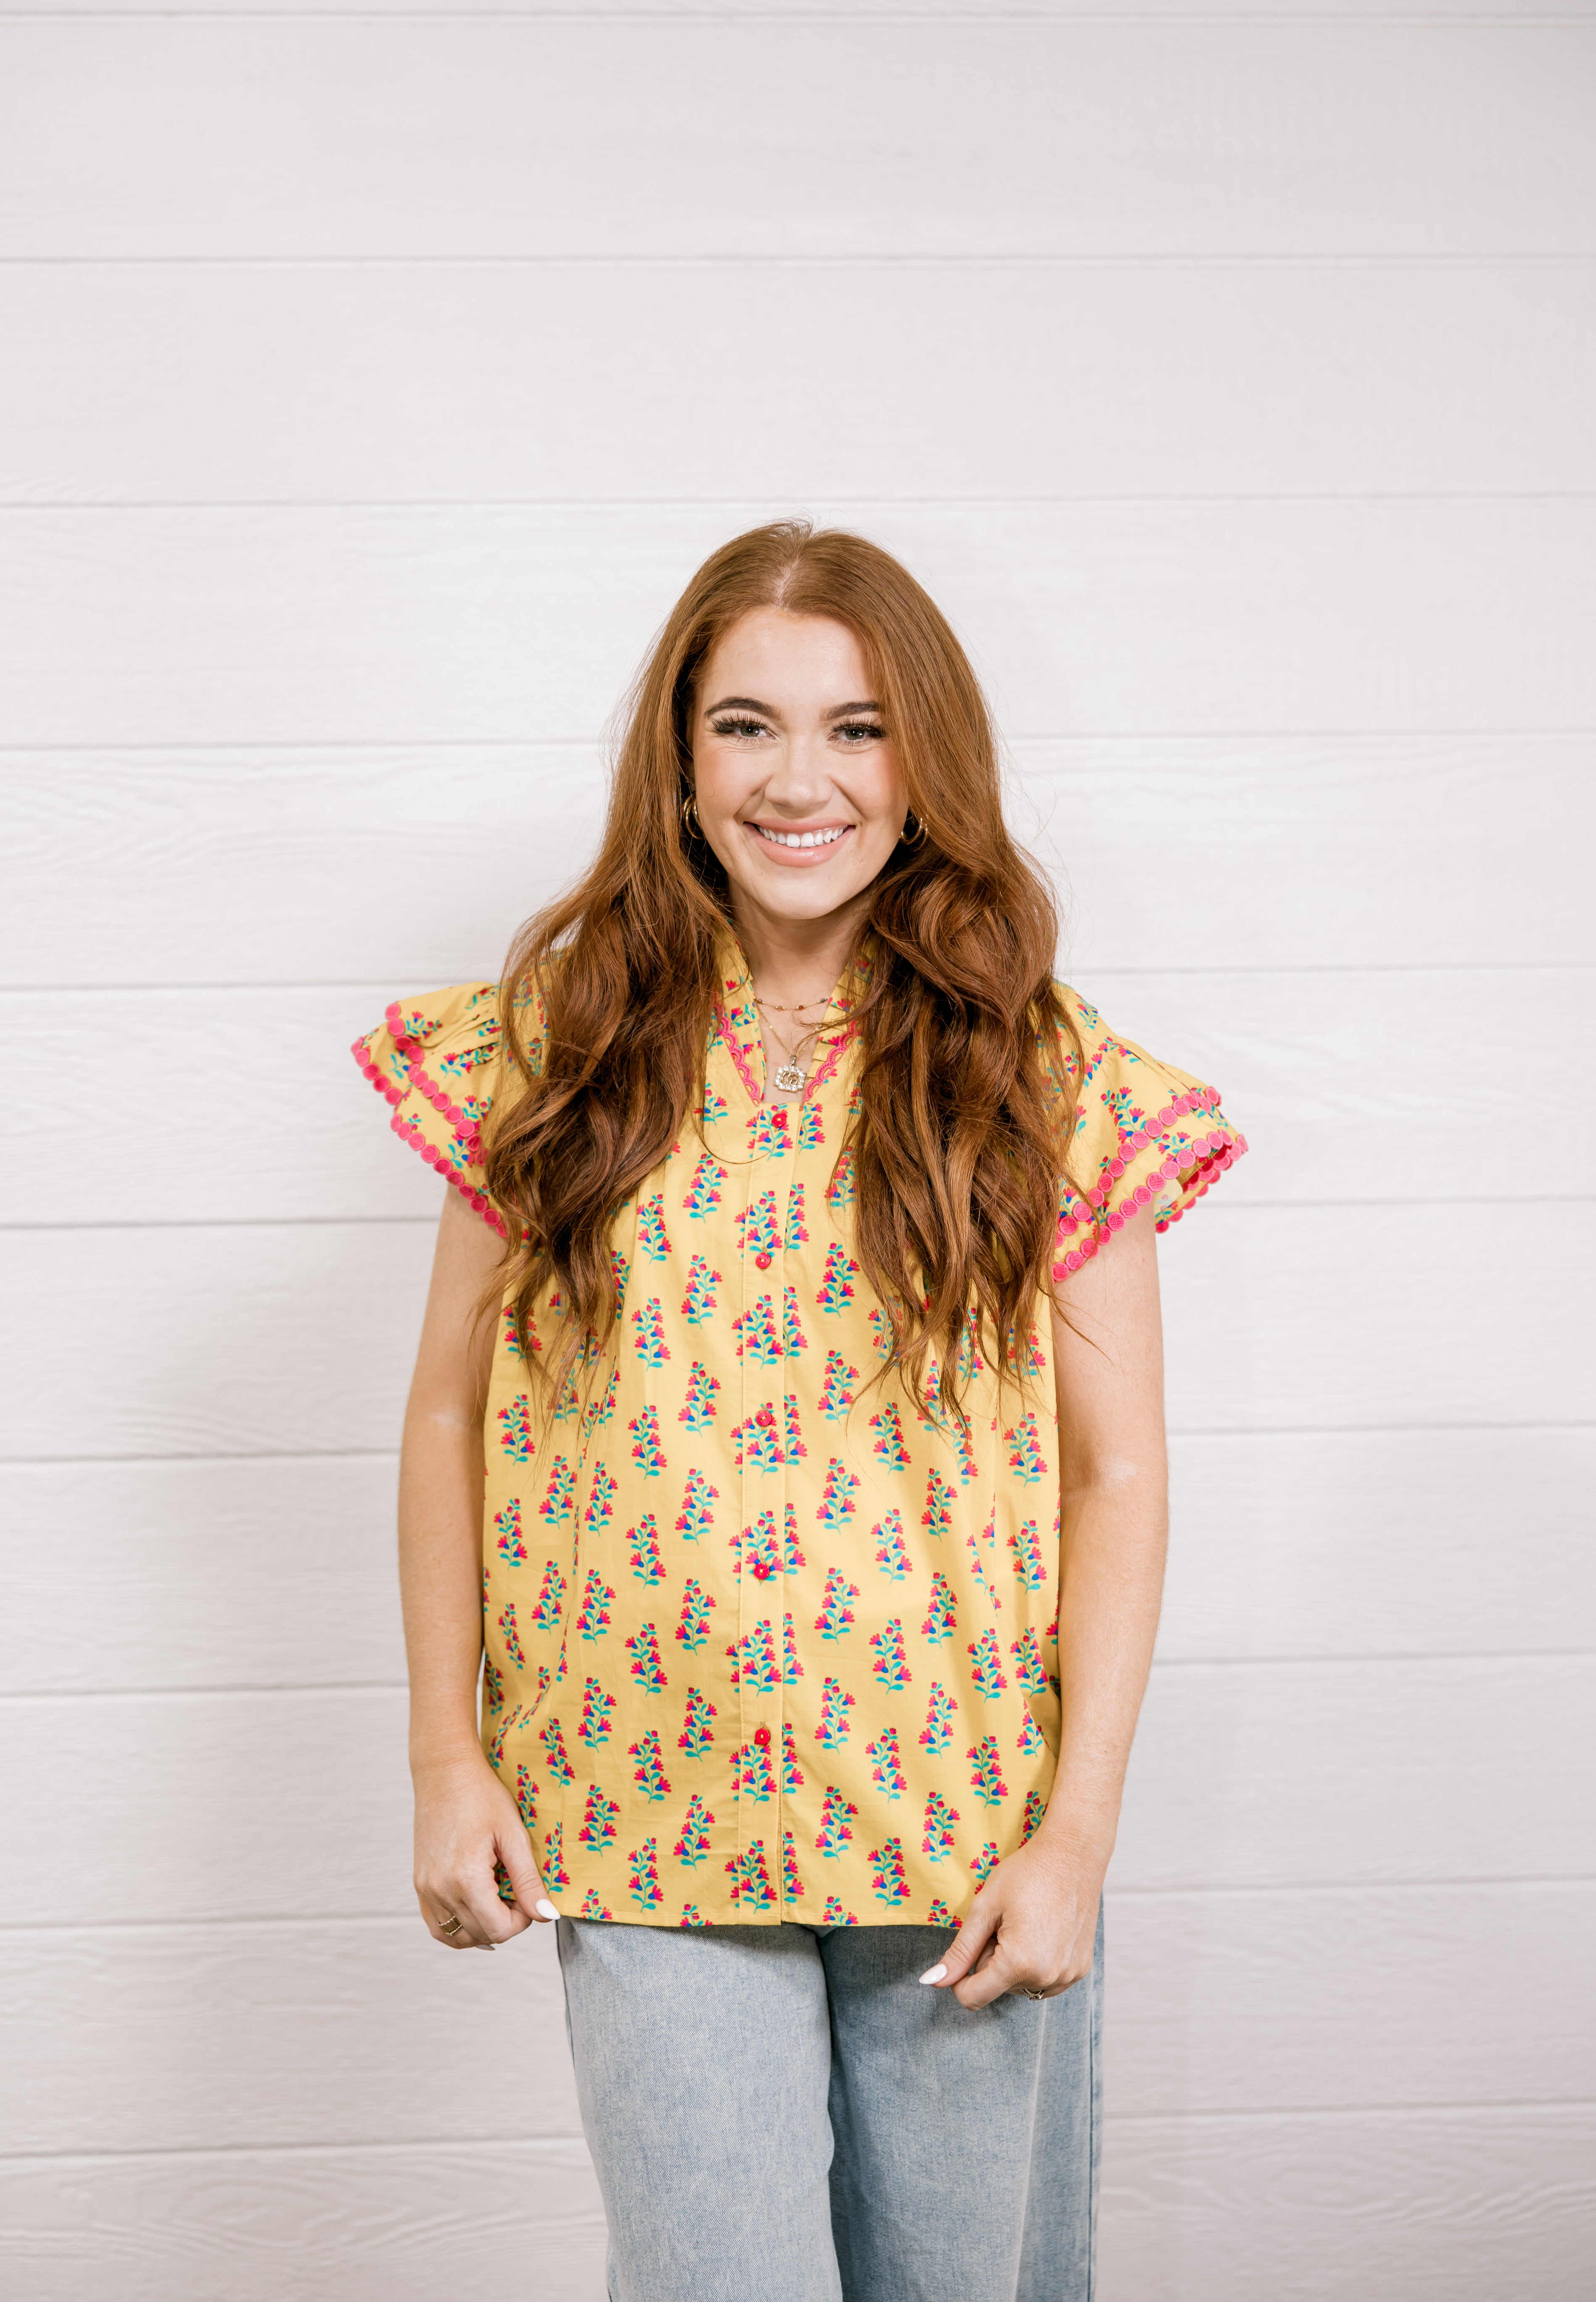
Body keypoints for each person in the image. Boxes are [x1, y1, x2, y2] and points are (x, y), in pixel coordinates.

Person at [353, 521, 1245, 2301]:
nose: (799, 781)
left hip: (964, 1832)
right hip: (642, 1809)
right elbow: (449, 1412)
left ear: (928, 758)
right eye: (746, 726)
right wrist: (448, 1757)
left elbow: (1118, 1470)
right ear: (681, 759)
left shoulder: (1045, 1078)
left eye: (857, 728)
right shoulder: (553, 1051)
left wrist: (1077, 1836)